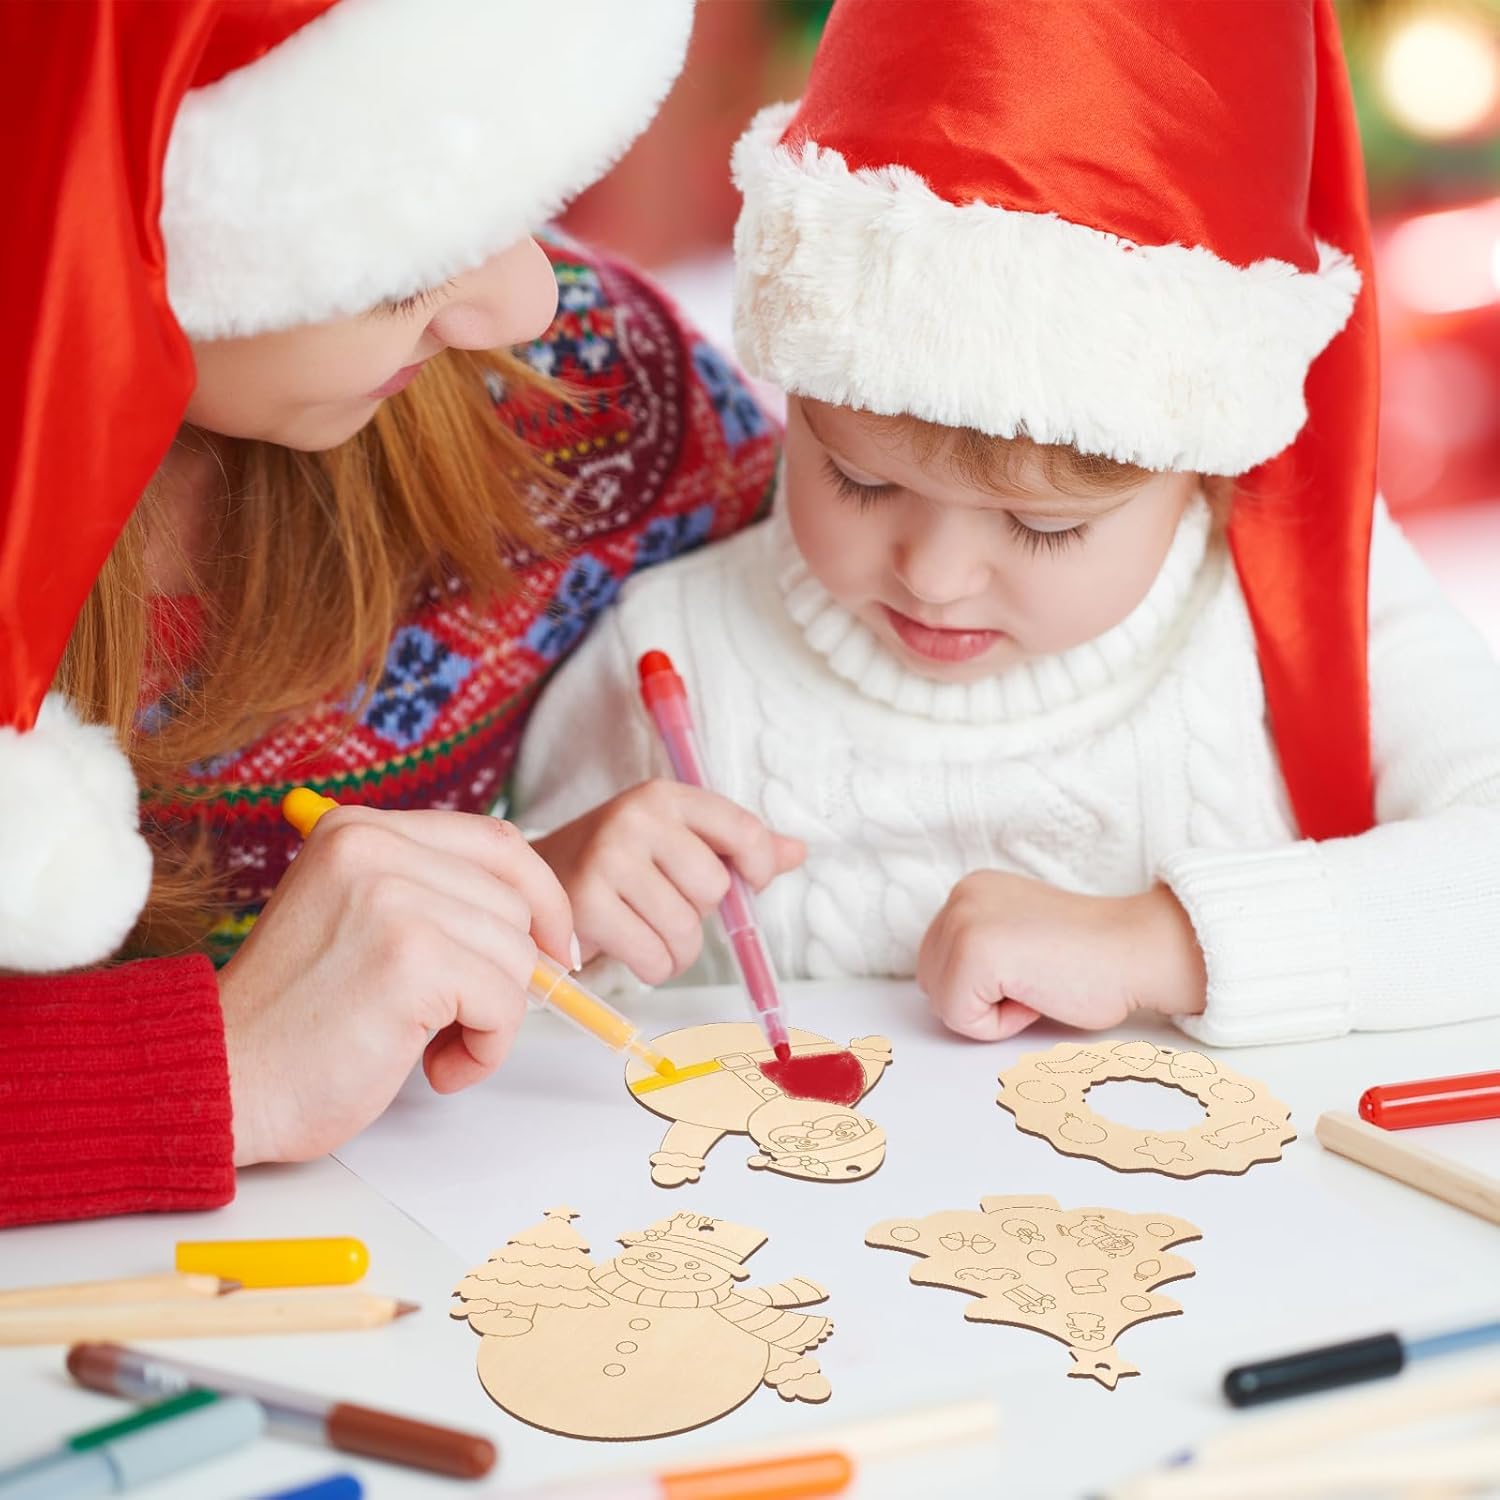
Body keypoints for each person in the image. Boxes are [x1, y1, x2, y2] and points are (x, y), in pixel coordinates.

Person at [514, 0, 1500, 1049]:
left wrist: (1157, 946)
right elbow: (518, 1022)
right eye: (857, 480)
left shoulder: (1309, 602)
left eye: (1040, 528)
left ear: (1206, 474)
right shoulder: (675, 658)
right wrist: (560, 903)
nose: (933, 577)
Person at [0, 0, 785, 1228]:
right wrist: (227, 1065)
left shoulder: (590, 389)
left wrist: (529, 890)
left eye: (522, 199)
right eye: (412, 260)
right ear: (108, 219)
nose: (522, 304)